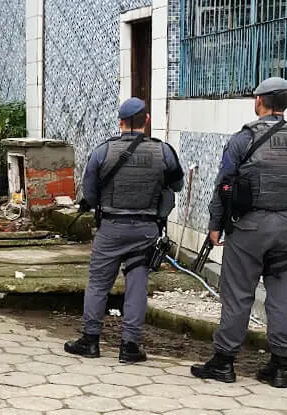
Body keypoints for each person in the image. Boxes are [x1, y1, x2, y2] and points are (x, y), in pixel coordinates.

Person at [64, 98, 184, 363]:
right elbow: (176, 185)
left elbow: (91, 194)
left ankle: (90, 340)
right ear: (147, 120)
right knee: (137, 286)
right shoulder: (163, 151)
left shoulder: (102, 151)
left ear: (120, 122)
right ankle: (130, 346)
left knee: (98, 284)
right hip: (145, 230)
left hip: (111, 228)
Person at [191, 77, 287, 388]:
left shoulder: (243, 139)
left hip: (248, 228)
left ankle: (224, 362)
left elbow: (224, 186)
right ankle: (281, 366)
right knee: (283, 296)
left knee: (237, 295)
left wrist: (215, 225)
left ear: (259, 102)